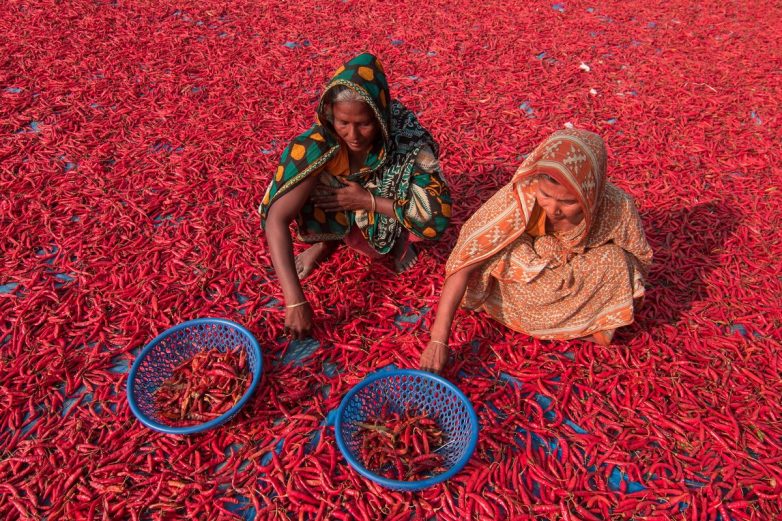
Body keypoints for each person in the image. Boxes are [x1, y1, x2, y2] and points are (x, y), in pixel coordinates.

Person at [420, 129, 653, 373]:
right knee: (499, 253)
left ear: (591, 194)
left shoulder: (617, 206)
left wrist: (610, 282)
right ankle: (574, 322)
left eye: (568, 202)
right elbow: (465, 260)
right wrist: (438, 340)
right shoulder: (522, 194)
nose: (554, 209)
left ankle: (579, 321)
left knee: (619, 262)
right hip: (531, 280)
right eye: (546, 195)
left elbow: (639, 260)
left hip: (580, 273)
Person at [260, 53, 451, 339]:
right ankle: (328, 242)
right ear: (330, 115)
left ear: (380, 116)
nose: (354, 135)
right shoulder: (320, 141)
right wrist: (295, 300)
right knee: (298, 181)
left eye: (364, 123)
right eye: (343, 122)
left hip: (380, 200)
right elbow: (276, 217)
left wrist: (368, 201)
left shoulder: (407, 141)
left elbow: (436, 219)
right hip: (346, 197)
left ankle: (397, 238)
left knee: (419, 220)